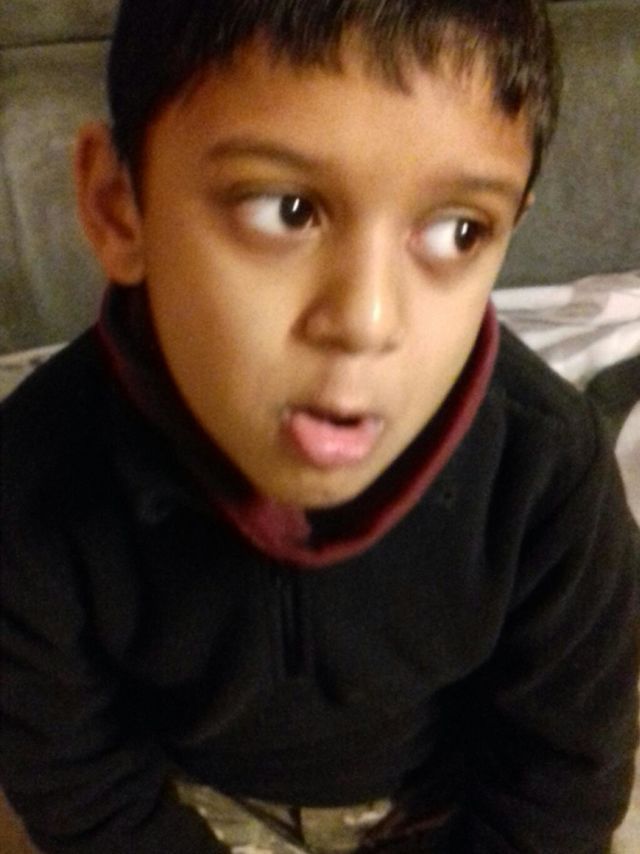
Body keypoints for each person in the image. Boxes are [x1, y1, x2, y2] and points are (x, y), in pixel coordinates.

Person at [1, 1, 638, 852]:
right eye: (286, 211)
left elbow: (561, 778)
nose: (367, 320)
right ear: (119, 209)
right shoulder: (30, 487)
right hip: (184, 797)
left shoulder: (547, 470)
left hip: (447, 798)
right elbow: (77, 783)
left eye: (457, 231)